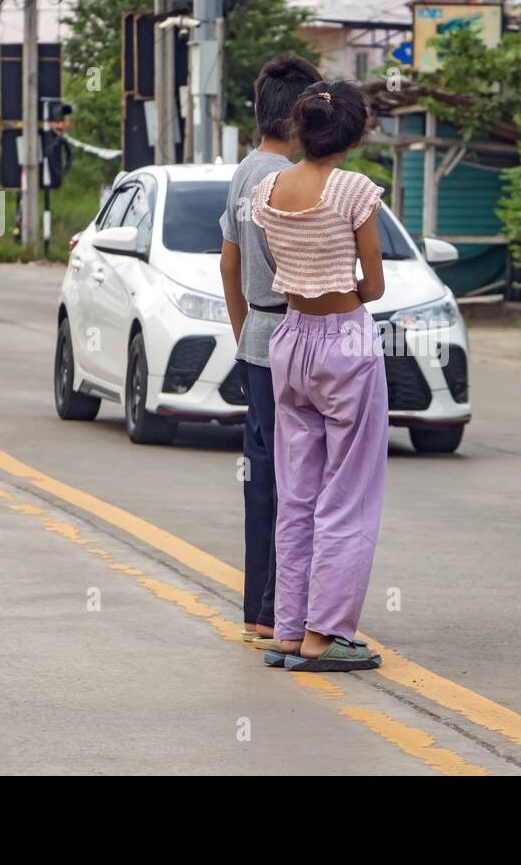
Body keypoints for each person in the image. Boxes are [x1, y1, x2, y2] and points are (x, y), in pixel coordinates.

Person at [250, 80, 388, 672]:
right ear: (353, 135)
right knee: (347, 493)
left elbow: (284, 264)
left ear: (300, 129)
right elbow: (375, 284)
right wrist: (346, 289)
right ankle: (325, 633)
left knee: (297, 492)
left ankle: (287, 630)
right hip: (345, 341)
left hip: (291, 341)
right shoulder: (354, 189)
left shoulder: (269, 188)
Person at [219, 53, 323, 645]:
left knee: (262, 481)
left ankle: (258, 612)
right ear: (302, 116)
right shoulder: (289, 180)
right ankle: (285, 614)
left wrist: (243, 334)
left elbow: (230, 262)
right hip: (294, 334)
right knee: (299, 482)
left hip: (257, 337)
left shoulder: (241, 173)